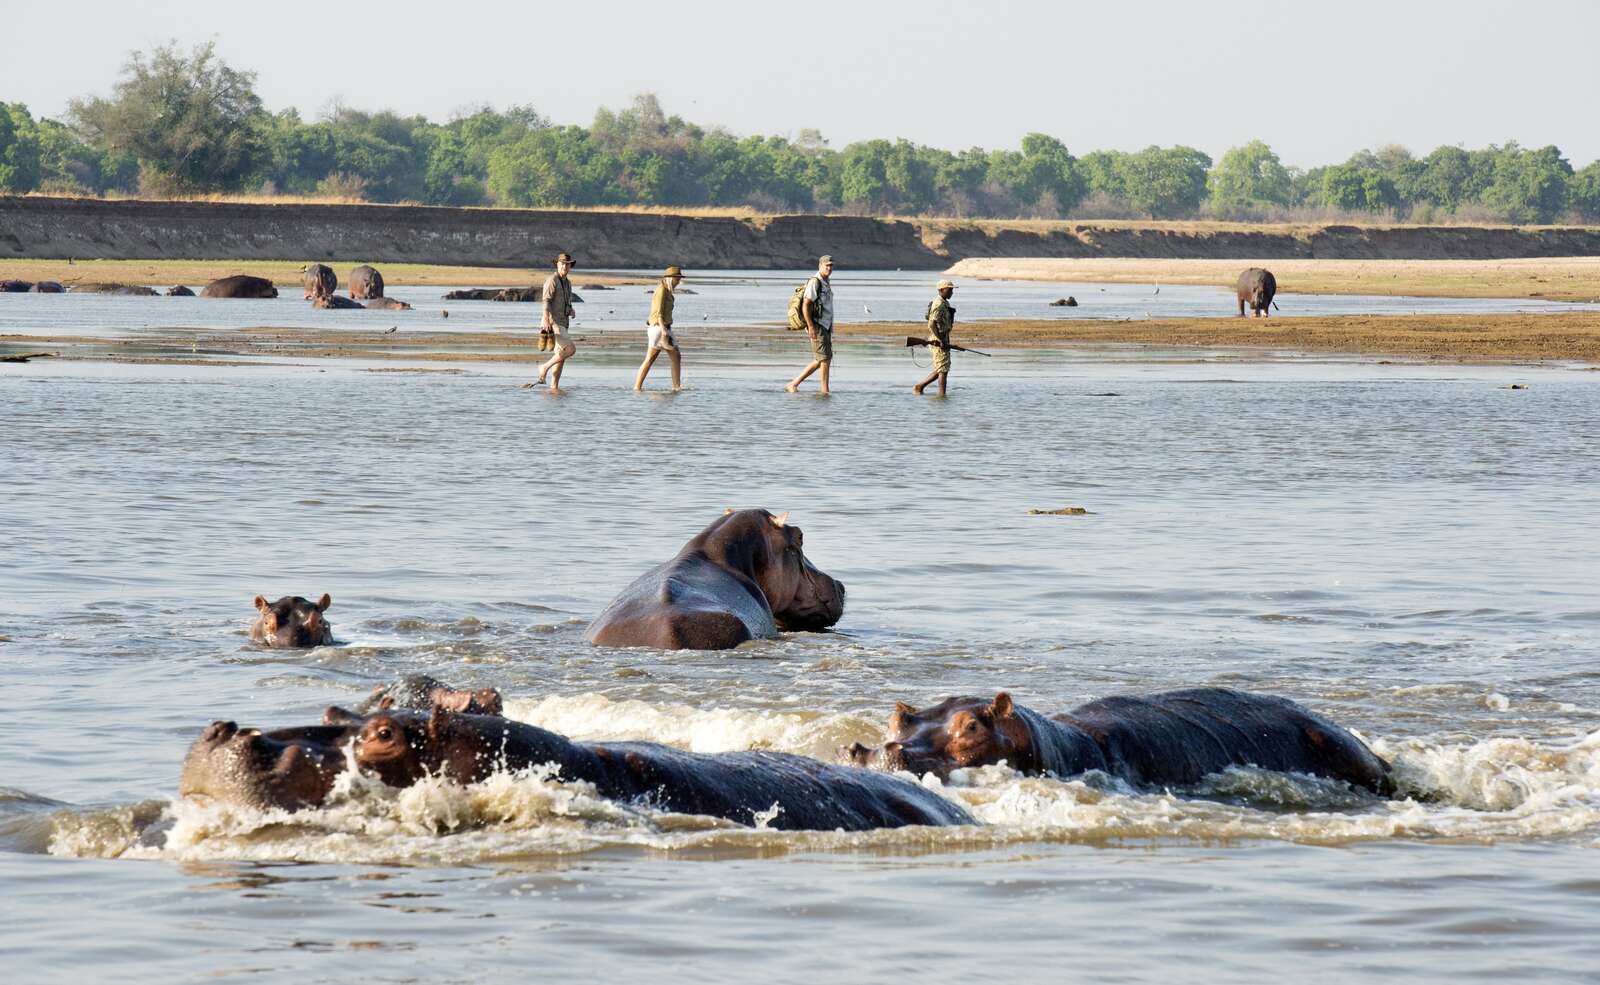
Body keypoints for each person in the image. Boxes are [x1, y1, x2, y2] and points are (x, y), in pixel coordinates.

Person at [525, 252, 577, 389]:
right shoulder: (552, 280)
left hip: (563, 322)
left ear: (570, 266)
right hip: (554, 322)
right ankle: (544, 367)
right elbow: (546, 301)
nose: (565, 267)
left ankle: (554, 388)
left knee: (560, 358)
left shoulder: (568, 283)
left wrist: (571, 309)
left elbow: (566, 301)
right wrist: (546, 319)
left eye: (567, 264)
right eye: (562, 264)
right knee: (571, 349)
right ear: (557, 265)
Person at [785, 255, 835, 394]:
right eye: (827, 265)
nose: (829, 268)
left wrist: (830, 327)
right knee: (824, 359)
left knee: (822, 359)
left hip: (825, 326)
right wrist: (811, 326)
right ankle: (825, 391)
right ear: (820, 266)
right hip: (818, 325)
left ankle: (793, 384)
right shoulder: (815, 282)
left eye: (831, 265)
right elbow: (806, 305)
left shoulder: (826, 282)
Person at [634, 265, 684, 391]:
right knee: (671, 356)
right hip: (659, 328)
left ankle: (638, 387)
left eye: (679, 279)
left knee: (656, 358)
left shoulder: (667, 290)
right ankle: (676, 387)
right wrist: (663, 330)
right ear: (669, 278)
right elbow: (658, 312)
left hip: (662, 328)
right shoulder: (661, 290)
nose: (678, 281)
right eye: (676, 278)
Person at [914, 279, 957, 396]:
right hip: (939, 339)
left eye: (952, 290)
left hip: (943, 338)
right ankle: (942, 395)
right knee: (943, 370)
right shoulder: (938, 304)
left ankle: (920, 386)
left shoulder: (944, 302)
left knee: (942, 367)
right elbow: (932, 324)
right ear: (941, 290)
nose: (952, 292)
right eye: (949, 290)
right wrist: (941, 340)